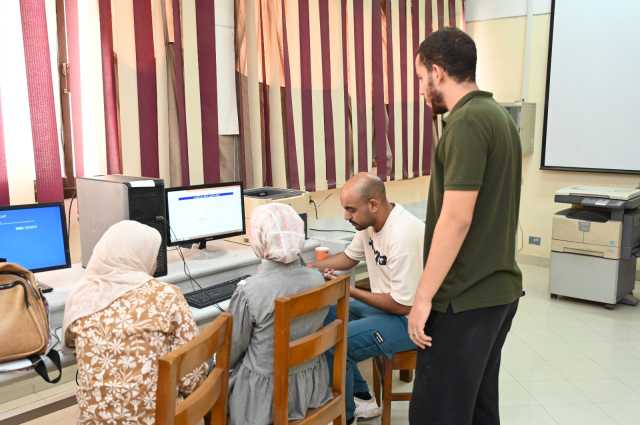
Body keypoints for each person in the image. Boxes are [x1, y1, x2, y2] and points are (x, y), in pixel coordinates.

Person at [408, 27, 523, 425]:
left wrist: (422, 299)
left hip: (463, 300)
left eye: (421, 77)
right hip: (496, 293)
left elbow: (456, 218)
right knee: (477, 409)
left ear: (437, 72)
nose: (421, 89)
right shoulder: (497, 116)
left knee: (436, 414)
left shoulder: (466, 123)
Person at [63, 220, 207, 424]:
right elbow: (191, 378)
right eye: (153, 255)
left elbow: (72, 348)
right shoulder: (167, 296)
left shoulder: (80, 298)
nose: (155, 263)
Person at [312, 172, 425, 425]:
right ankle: (363, 398)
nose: (346, 216)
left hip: (410, 321)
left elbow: (401, 305)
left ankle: (345, 416)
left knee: (335, 342)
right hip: (387, 310)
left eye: (350, 210)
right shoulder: (370, 225)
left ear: (373, 204)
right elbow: (348, 258)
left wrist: (349, 289)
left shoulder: (404, 234)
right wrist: (310, 269)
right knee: (325, 316)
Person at [227, 203, 331, 425]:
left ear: (259, 238)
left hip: (264, 399)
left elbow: (230, 351)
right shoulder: (318, 279)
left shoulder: (250, 291)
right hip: (311, 387)